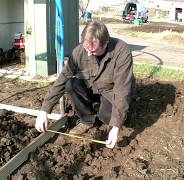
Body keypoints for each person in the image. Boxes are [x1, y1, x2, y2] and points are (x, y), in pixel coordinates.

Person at [35, 21, 135, 149]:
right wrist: (44, 110)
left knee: (107, 117)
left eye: (93, 51)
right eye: (87, 49)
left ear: (106, 43)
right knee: (71, 84)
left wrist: (115, 126)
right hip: (92, 87)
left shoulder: (121, 51)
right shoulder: (79, 52)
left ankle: (109, 115)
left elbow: (122, 90)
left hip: (111, 92)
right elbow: (63, 78)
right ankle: (87, 120)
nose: (88, 54)